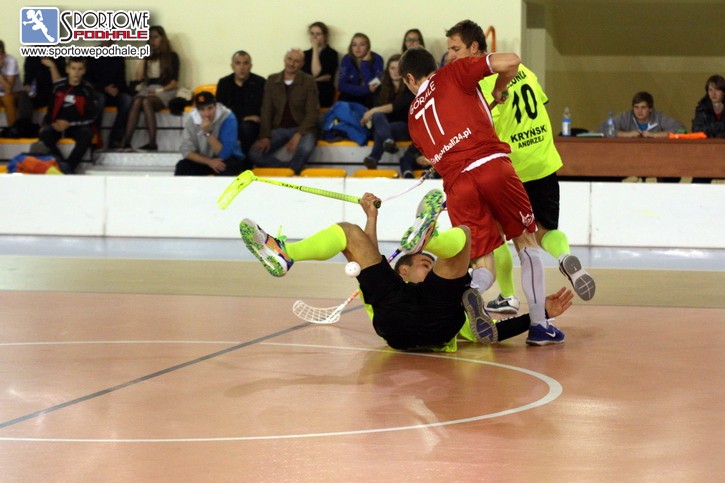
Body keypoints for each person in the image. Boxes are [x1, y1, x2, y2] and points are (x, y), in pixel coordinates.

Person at [239, 189, 571, 349]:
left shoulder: (436, 293)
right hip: (400, 313)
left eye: (430, 262)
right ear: (404, 271)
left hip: (431, 319)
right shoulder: (391, 284)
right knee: (349, 231)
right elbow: (372, 258)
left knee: (463, 242)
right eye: (424, 263)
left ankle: (431, 237)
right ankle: (286, 254)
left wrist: (540, 314)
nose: (430, 266)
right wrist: (369, 218)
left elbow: (493, 332)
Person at [399, 46, 556, 341]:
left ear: (409, 78)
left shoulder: (412, 118)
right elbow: (511, 61)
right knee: (526, 243)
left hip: (457, 185)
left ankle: (472, 291)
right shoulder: (452, 72)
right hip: (491, 165)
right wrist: (498, 88)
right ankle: (539, 326)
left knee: (483, 263)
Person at [445, 19, 595, 314]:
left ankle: (509, 296)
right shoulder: (523, 71)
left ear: (474, 47)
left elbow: (480, 130)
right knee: (545, 230)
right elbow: (539, 105)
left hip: (511, 169)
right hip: (544, 161)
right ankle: (565, 257)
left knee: (495, 235)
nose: (450, 55)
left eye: (455, 49)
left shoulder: (478, 84)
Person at [248, 48, 319, 175]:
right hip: (279, 129)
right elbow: (266, 110)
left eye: (296, 61)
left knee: (305, 148)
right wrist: (265, 136)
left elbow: (312, 113)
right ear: (284, 59)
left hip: (304, 130)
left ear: (302, 64)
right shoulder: (272, 80)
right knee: (254, 154)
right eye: (289, 59)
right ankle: (289, 170)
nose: (292, 63)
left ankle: (288, 172)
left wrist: (298, 135)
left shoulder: (308, 81)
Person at [121, 25, 180, 151]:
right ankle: (126, 142)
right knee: (137, 101)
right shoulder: (149, 56)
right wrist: (144, 57)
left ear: (162, 38)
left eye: (155, 37)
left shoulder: (172, 56)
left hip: (165, 89)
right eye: (150, 38)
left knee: (146, 102)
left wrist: (158, 91)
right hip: (149, 88)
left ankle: (152, 143)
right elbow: (139, 77)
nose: (152, 40)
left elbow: (174, 83)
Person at [38, 57, 98, 174]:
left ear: (84, 71)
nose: (76, 72)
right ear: (67, 69)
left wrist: (70, 123)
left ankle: (68, 168)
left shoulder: (87, 89)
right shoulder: (58, 86)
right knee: (45, 134)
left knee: (87, 134)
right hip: (57, 124)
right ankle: (63, 165)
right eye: (73, 68)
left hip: (76, 125)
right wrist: (49, 123)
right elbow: (50, 109)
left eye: (79, 69)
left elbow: (92, 115)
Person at [360, 54, 414, 170]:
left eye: (399, 68)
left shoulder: (410, 88)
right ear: (387, 70)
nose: (395, 71)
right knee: (378, 118)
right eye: (392, 68)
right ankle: (388, 142)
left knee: (382, 126)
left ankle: (374, 156)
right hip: (384, 126)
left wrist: (372, 111)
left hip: (405, 127)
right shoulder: (380, 88)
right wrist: (368, 116)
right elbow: (374, 110)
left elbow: (394, 107)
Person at [174, 91, 245, 176]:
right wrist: (208, 161)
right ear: (197, 110)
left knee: (224, 168)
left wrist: (208, 132)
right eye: (202, 109)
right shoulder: (192, 120)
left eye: (210, 108)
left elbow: (224, 154)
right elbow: (186, 150)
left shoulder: (227, 118)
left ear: (216, 106)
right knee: (182, 166)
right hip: (205, 159)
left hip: (229, 158)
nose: (207, 114)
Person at [215, 50, 265, 157]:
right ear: (232, 66)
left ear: (250, 66)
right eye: (238, 63)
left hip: (253, 126)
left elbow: (264, 109)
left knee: (246, 127)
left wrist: (253, 118)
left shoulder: (260, 83)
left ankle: (246, 162)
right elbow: (220, 110)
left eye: (245, 63)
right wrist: (244, 117)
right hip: (229, 123)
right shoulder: (224, 83)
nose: (242, 67)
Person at [84, 40, 132, 149]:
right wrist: (104, 88)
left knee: (127, 100)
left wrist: (117, 88)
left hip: (114, 92)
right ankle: (96, 136)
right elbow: (87, 81)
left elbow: (122, 80)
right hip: (98, 91)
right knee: (100, 99)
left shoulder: (119, 55)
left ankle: (115, 138)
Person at [691, 74, 725, 184]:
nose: (713, 94)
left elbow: (705, 130)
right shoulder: (702, 107)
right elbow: (697, 130)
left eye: (717, 90)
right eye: (710, 90)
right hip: (707, 155)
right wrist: (719, 127)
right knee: (698, 180)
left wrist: (710, 130)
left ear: (723, 92)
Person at [337, 33, 384, 108]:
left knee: (374, 96)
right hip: (351, 95)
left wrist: (364, 64)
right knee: (344, 97)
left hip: (369, 97)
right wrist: (365, 89)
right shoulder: (347, 59)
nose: (357, 48)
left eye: (362, 45)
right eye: (354, 45)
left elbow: (375, 85)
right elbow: (342, 85)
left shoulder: (377, 59)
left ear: (368, 47)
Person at [302, 21, 339, 109]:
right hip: (306, 92)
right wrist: (318, 79)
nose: (314, 37)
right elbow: (303, 78)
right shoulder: (304, 54)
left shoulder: (332, 54)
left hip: (323, 92)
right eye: (312, 34)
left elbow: (316, 72)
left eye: (318, 34)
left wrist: (315, 49)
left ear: (325, 36)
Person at [0, 40, 23, 128]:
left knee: (7, 98)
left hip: (14, 93)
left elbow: (8, 89)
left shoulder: (11, 61)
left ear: (3, 53)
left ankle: (12, 129)